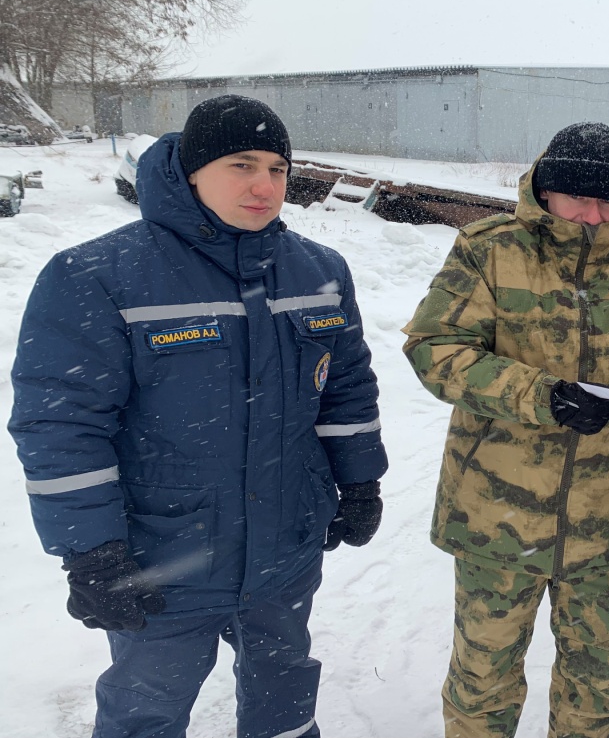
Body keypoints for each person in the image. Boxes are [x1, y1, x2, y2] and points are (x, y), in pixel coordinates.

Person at [9, 94, 388, 738]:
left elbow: (346, 390)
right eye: (241, 164)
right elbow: (61, 425)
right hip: (162, 554)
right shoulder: (98, 275)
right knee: (146, 708)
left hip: (286, 548)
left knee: (286, 687)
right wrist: (92, 550)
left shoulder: (319, 271)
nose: (264, 185)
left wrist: (359, 482)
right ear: (191, 171)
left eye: (278, 168)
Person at [402, 122, 609, 738]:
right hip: (494, 516)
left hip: (607, 521)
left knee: (598, 684)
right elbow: (436, 349)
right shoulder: (489, 249)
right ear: (546, 189)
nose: (595, 215)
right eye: (579, 197)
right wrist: (541, 396)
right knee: (483, 678)